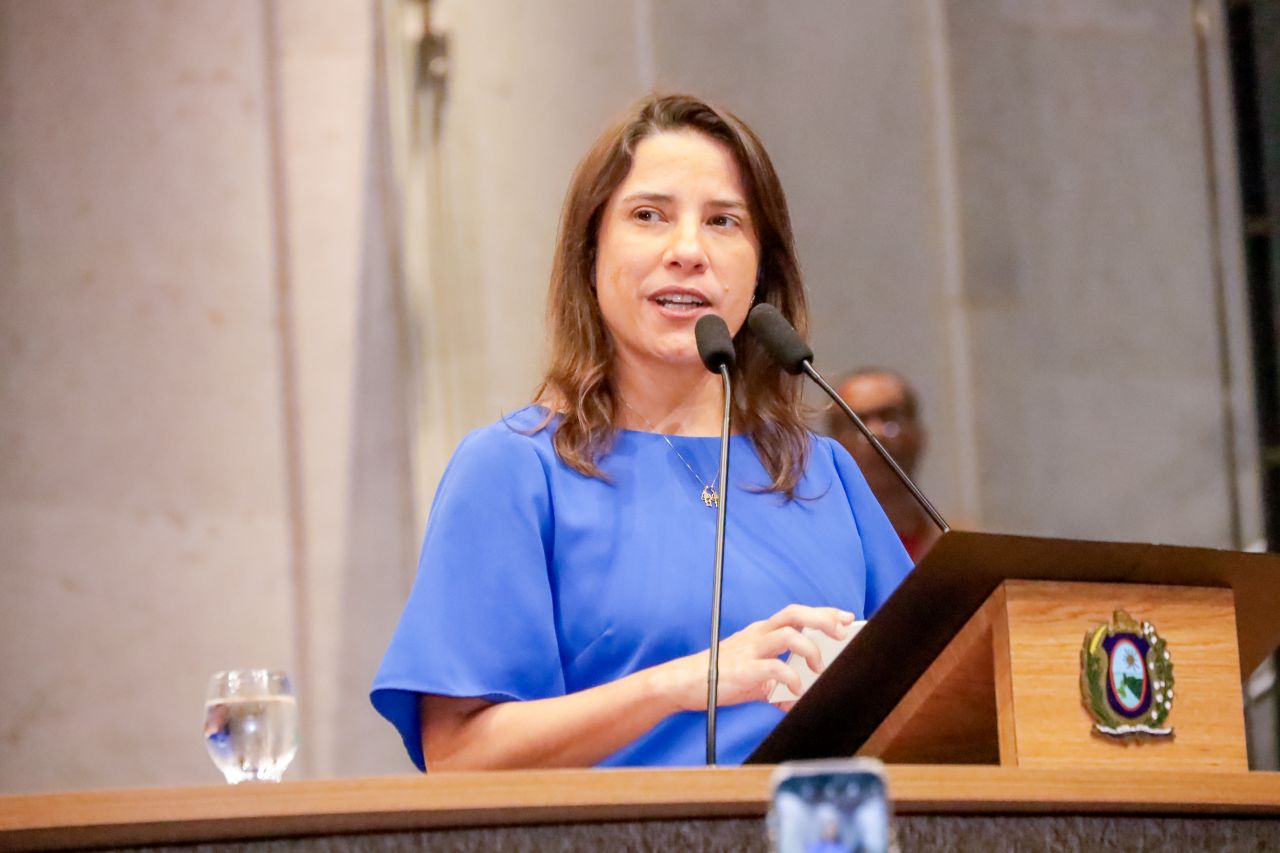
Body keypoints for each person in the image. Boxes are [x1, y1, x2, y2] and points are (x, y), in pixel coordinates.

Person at [371, 94, 912, 771]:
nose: (687, 250)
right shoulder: (513, 470)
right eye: (649, 215)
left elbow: (942, 699)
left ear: (762, 269)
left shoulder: (825, 473)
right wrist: (678, 684)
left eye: (723, 221)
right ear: (590, 252)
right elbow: (459, 752)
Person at [826, 368, 940, 561]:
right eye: (857, 422)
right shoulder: (822, 550)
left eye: (890, 418)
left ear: (919, 434)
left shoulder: (959, 549)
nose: (875, 434)